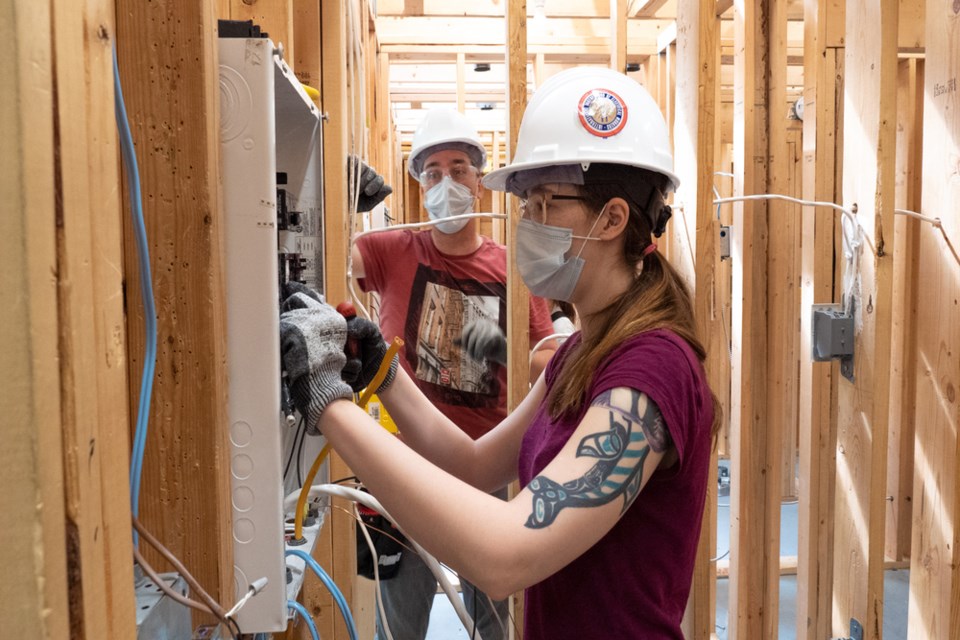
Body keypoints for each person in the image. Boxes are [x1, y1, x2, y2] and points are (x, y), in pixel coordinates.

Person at [279, 67, 720, 639]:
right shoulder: (581, 351)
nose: (525, 223)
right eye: (525, 205)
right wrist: (384, 375)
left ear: (612, 218)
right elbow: (473, 464)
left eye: (544, 204)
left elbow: (504, 557)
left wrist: (328, 402)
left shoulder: (650, 368)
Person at [350, 108, 557, 640]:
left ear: (480, 185)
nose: (447, 183)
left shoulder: (514, 269)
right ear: (420, 188)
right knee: (400, 621)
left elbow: (540, 354)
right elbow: (327, 260)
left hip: (487, 469)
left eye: (460, 169)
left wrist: (571, 353)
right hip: (406, 464)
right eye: (433, 173)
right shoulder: (390, 250)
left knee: (495, 615)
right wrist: (342, 199)